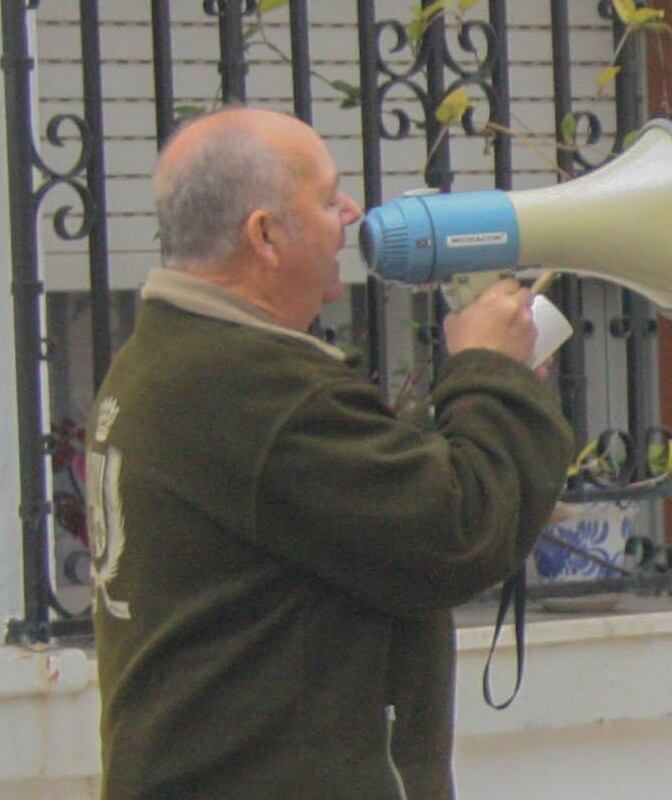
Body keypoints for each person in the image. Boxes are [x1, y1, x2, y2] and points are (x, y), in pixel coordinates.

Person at [87, 106, 572, 800]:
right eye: (326, 197)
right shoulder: (254, 387)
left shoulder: (163, 358)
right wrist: (490, 373)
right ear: (266, 235)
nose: (350, 212)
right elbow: (457, 531)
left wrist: (486, 385)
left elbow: (350, 505)